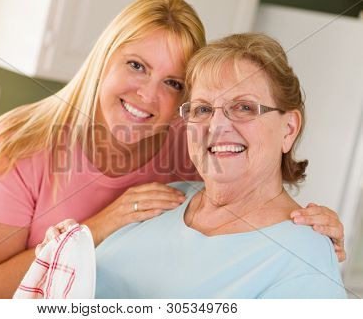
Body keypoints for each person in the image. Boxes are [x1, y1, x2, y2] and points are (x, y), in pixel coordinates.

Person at [0, 0, 344, 299]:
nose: (147, 94)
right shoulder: (25, 141)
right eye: (136, 65)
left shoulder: (193, 142)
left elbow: (254, 187)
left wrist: (316, 231)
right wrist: (99, 225)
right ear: (103, 58)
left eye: (174, 83)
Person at [94, 33, 347, 298]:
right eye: (202, 109)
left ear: (288, 129)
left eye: (244, 108)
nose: (216, 126)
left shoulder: (305, 258)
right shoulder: (163, 199)